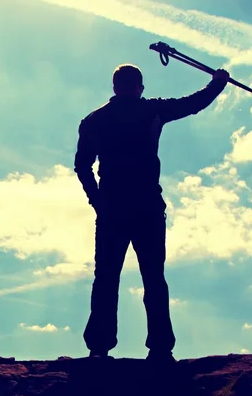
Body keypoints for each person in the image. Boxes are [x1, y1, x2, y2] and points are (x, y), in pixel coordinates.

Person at [74, 62, 229, 363]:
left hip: (112, 208)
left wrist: (97, 199)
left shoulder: (94, 121)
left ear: (115, 87)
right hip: (146, 206)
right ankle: (160, 348)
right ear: (139, 87)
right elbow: (192, 104)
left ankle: (99, 347)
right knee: (153, 278)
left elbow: (82, 166)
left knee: (106, 277)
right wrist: (218, 83)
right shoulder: (151, 111)